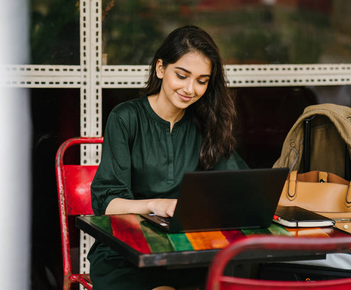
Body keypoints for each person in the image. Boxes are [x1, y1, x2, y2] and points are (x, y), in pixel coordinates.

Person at [88, 25, 248, 290]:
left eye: (201, 80)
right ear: (161, 69)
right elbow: (106, 204)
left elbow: (236, 187)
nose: (190, 88)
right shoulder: (125, 118)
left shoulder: (205, 124)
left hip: (187, 253)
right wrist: (157, 205)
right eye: (182, 75)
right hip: (124, 255)